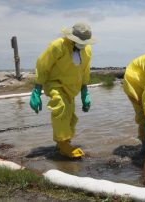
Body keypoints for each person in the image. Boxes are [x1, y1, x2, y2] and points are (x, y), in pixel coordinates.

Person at [29, 22, 95, 158]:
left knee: (70, 115)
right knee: (61, 107)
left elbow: (85, 70)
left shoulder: (87, 50)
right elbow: (42, 65)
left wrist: (84, 91)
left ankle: (64, 141)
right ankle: (63, 144)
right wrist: (37, 89)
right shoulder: (58, 46)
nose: (82, 43)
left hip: (71, 87)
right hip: (54, 83)